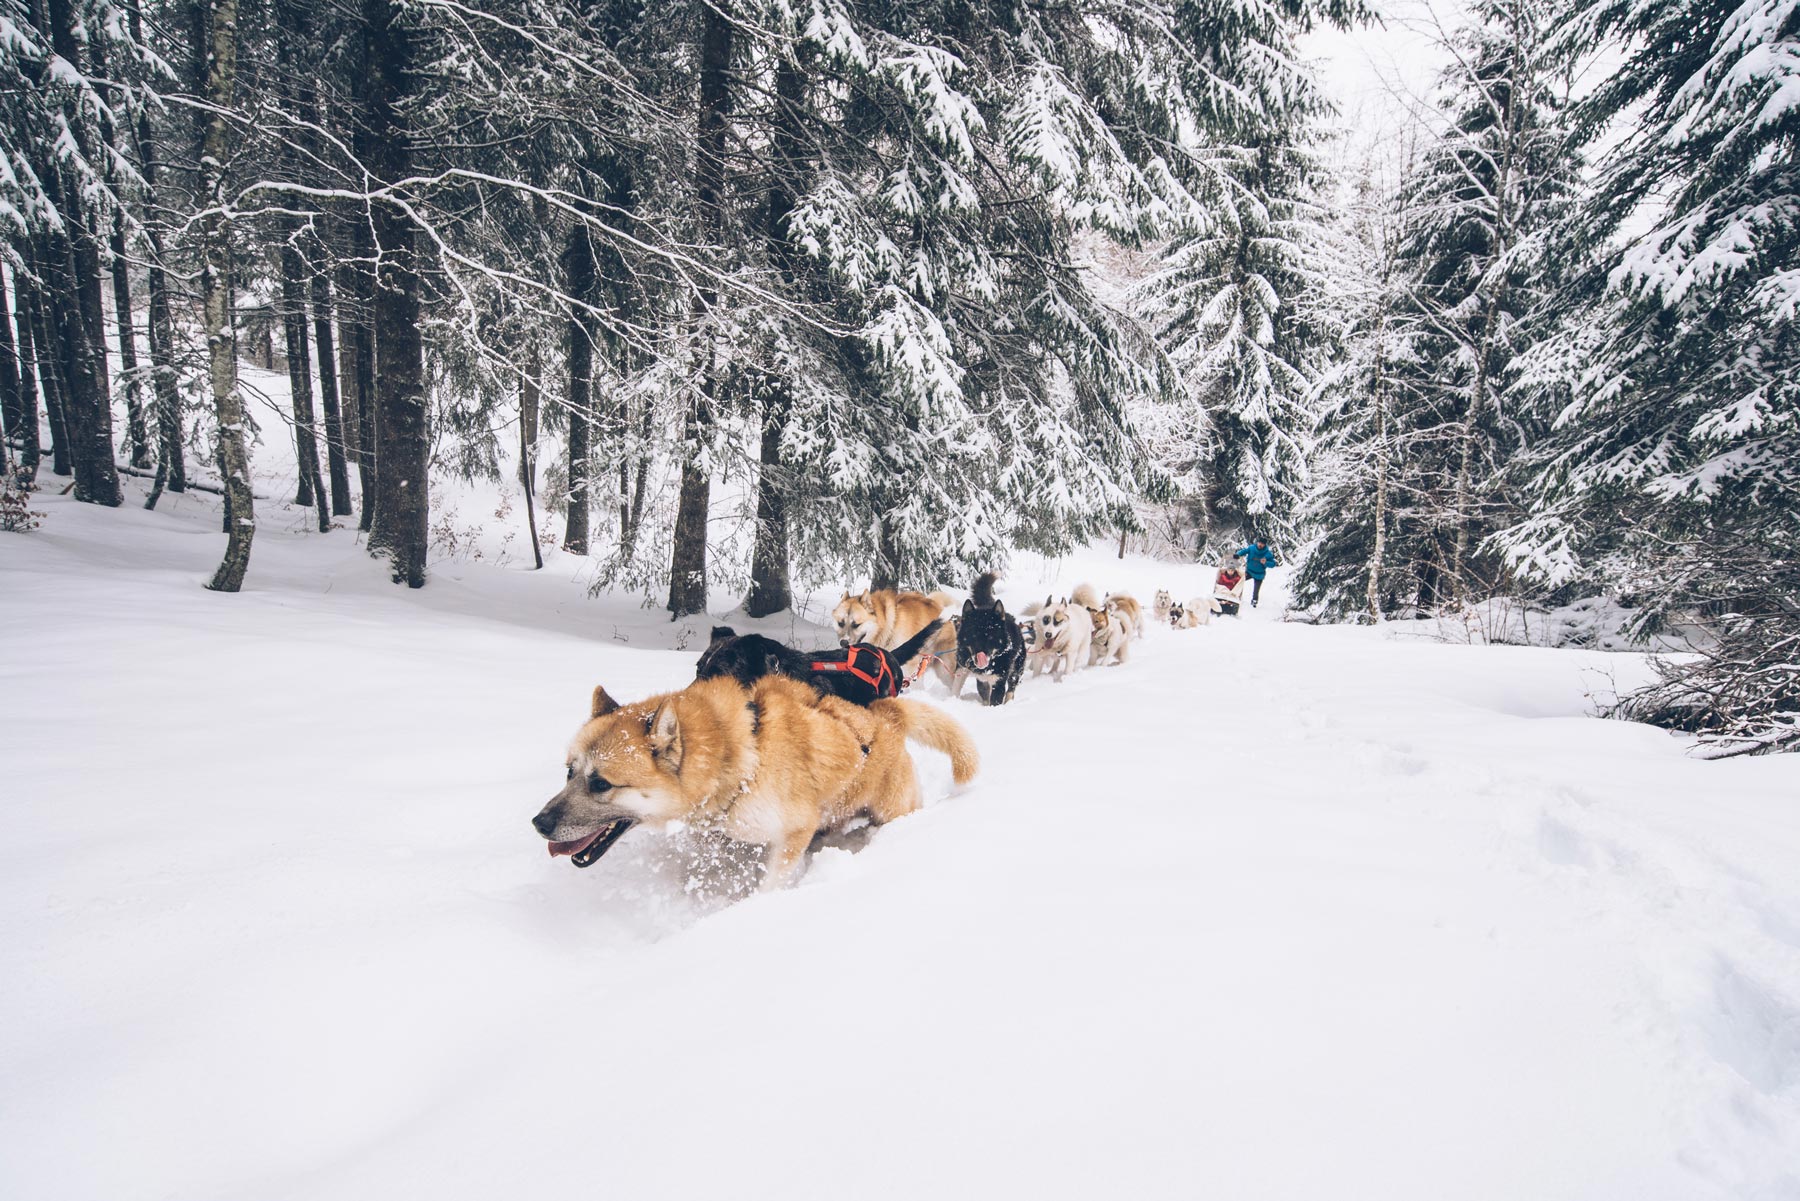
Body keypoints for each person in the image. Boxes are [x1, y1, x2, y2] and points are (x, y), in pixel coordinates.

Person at [1233, 538, 1279, 608]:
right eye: (1259, 543)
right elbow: (1244, 551)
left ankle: (1254, 601)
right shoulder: (1252, 548)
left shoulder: (1267, 553)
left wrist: (1266, 563)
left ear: (1264, 545)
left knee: (1256, 589)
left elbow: (1273, 564)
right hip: (1249, 571)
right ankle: (1235, 595)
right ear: (1257, 542)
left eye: (1262, 544)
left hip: (1259, 574)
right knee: (1239, 581)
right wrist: (1238, 554)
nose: (1260, 545)